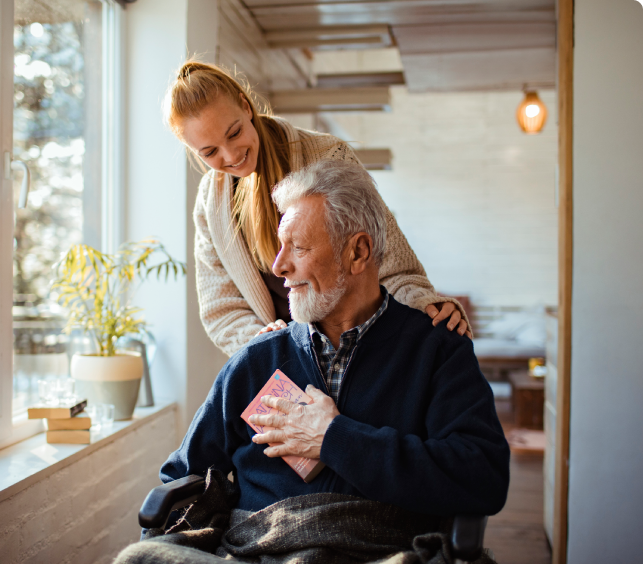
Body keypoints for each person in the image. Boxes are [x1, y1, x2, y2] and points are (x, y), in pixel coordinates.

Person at [115, 160, 509, 564]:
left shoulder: (437, 350)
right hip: (255, 550)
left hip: (379, 552)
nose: (278, 265)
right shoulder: (258, 359)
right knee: (141, 558)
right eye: (280, 245)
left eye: (298, 247)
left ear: (358, 252)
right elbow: (181, 475)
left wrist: (334, 438)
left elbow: (484, 479)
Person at [164, 61, 471, 357]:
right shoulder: (210, 203)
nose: (231, 155)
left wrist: (424, 303)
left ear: (246, 107)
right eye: (210, 152)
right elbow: (222, 308)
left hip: (358, 346)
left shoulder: (328, 155)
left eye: (234, 133)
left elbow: (387, 257)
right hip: (282, 362)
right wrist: (260, 344)